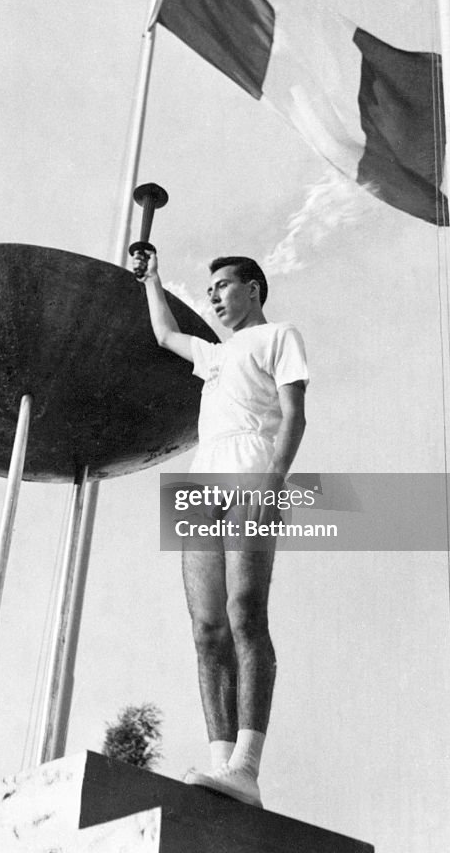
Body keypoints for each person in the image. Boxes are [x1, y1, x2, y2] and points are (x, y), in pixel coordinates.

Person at [134, 251, 308, 809]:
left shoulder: (280, 336)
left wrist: (273, 483)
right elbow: (164, 335)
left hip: (252, 471)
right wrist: (152, 279)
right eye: (209, 289)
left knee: (244, 613)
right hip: (200, 481)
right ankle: (220, 766)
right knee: (207, 628)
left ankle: (247, 768)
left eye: (223, 286)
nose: (213, 297)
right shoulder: (212, 353)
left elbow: (295, 414)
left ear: (253, 289)